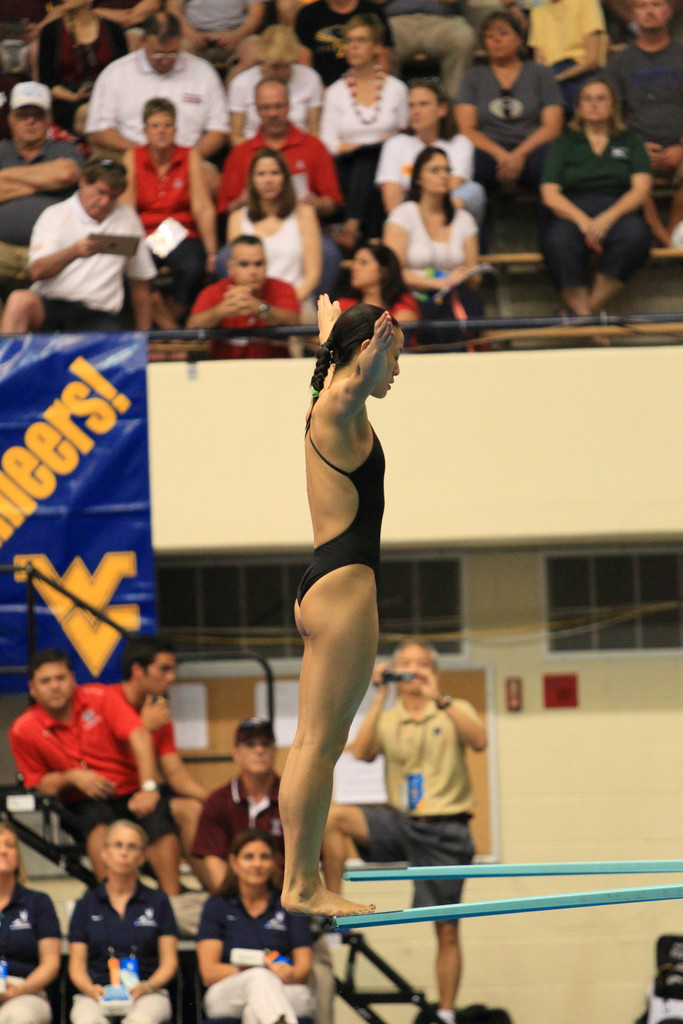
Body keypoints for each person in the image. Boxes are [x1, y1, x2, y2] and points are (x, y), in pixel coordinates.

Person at [277, 298, 404, 918]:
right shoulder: (339, 403)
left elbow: (328, 380)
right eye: (393, 358)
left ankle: (301, 879)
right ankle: (300, 883)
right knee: (318, 747)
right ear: (366, 354)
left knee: (314, 744)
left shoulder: (322, 395)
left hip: (329, 583)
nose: (396, 372)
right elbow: (345, 387)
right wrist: (360, 356)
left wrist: (330, 343)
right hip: (343, 591)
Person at [321, 640, 487, 1023]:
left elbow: (479, 741)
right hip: (400, 822)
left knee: (446, 928)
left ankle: (445, 1013)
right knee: (333, 818)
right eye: (405, 664)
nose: (413, 670)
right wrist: (379, 693)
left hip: (446, 828)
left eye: (421, 663)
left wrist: (437, 696)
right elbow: (360, 752)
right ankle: (333, 908)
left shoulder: (452, 707)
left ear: (434, 669)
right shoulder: (389, 714)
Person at [8, 648, 180, 894]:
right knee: (98, 824)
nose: (54, 686)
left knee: (157, 820)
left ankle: (171, 903)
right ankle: (112, 902)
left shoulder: (101, 696)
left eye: (60, 678)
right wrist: (72, 776)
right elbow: (36, 784)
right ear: (32, 689)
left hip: (131, 790)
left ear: (73, 680)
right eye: (45, 681)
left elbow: (139, 735)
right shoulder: (22, 729)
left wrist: (149, 788)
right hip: (80, 802)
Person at [539, 76, 652, 327]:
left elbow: (641, 188)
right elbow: (549, 193)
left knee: (635, 236)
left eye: (601, 99)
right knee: (557, 241)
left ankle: (585, 314)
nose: (593, 104)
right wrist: (584, 221)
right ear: (578, 107)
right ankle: (590, 320)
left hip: (617, 210)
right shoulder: (565, 143)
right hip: (572, 212)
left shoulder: (630, 140)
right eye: (587, 99)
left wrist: (606, 219)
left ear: (613, 106)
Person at [0, 155, 155, 334]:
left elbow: (140, 281)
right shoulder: (55, 215)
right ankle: (6, 362)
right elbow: (37, 271)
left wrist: (145, 336)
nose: (105, 202)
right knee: (19, 300)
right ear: (83, 182)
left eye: (113, 197)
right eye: (101, 192)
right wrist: (73, 252)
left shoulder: (128, 219)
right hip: (51, 304)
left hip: (98, 313)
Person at [217, 77, 343, 293]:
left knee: (329, 254)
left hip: (304, 226)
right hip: (253, 225)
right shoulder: (241, 153)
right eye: (266, 108)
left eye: (278, 106)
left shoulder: (313, 146)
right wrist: (242, 201)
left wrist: (317, 202)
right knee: (223, 259)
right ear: (256, 109)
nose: (273, 113)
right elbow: (225, 209)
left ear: (289, 106)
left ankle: (315, 309)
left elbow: (334, 203)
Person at [108, 635, 211, 889]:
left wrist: (215, 799)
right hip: (111, 795)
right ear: (137, 670)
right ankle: (171, 897)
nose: (172, 677)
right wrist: (145, 728)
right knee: (157, 815)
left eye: (172, 669)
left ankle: (219, 892)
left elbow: (176, 775)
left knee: (194, 809)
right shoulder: (108, 700)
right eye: (164, 669)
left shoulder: (157, 711)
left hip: (147, 791)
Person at [197, 829, 316, 1024]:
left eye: (265, 857)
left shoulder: (289, 906)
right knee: (258, 978)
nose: (257, 864)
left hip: (283, 986)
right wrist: (260, 968)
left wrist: (287, 972)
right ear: (234, 862)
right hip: (228, 992)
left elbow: (303, 969)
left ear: (274, 863)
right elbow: (209, 973)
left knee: (258, 1008)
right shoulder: (217, 905)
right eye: (249, 857)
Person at [120, 97, 218, 328]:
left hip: (183, 232)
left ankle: (165, 325)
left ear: (175, 129)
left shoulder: (188, 155)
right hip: (144, 234)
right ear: (145, 130)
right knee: (134, 269)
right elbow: (125, 208)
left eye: (167, 125)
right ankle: (172, 332)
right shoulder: (132, 157)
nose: (161, 131)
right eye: (155, 126)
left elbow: (202, 205)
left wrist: (212, 251)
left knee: (194, 267)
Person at [68, 819, 178, 1024]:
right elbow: (76, 966)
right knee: (86, 1020)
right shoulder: (85, 905)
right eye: (118, 845)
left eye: (132, 846)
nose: (124, 853)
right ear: (104, 853)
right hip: (97, 991)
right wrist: (89, 989)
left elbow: (169, 961)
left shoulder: (158, 901)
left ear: (142, 856)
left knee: (140, 1021)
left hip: (146, 992)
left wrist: (148, 986)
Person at [84, 12, 229, 159]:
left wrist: (188, 160)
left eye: (172, 54)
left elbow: (219, 130)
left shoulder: (204, 72)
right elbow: (98, 131)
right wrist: (145, 156)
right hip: (130, 159)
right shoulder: (115, 73)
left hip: (189, 160)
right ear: (143, 41)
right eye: (158, 54)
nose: (165, 61)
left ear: (180, 41)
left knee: (210, 179)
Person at [320, 13, 409, 247]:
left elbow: (406, 132)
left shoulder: (397, 89)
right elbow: (326, 140)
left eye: (361, 40)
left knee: (374, 158)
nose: (354, 47)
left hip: (389, 163)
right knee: (366, 157)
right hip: (346, 163)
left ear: (376, 47)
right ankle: (375, 239)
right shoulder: (335, 92)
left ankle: (354, 227)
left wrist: (387, 142)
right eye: (350, 41)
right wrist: (351, 147)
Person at [383, 146, 483, 346]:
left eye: (447, 170)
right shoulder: (403, 215)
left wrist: (460, 278)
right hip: (412, 296)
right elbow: (392, 271)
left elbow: (475, 275)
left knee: (465, 306)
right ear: (418, 179)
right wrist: (440, 283)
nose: (444, 176)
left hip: (454, 298)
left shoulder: (464, 219)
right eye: (435, 170)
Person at [455, 11, 564, 195]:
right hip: (489, 151)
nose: (496, 40)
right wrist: (501, 155)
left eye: (503, 33)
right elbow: (467, 129)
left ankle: (551, 223)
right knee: (468, 161)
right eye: (490, 36)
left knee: (548, 163)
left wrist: (519, 155)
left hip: (531, 149)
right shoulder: (473, 77)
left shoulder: (541, 74)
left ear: (519, 39)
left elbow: (553, 127)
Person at [607, 0, 683, 245]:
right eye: (641, 5)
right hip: (635, 146)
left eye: (656, 4)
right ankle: (668, 243)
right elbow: (612, 115)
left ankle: (672, 235)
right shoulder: (619, 62)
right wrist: (635, 146)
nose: (649, 11)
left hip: (680, 146)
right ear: (632, 14)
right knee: (622, 168)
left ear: (669, 11)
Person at [0, 81, 82, 298]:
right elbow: (57, 177)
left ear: (49, 120)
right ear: (9, 119)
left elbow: (66, 174)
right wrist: (43, 181)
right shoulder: (1, 151)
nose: (30, 122)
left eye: (37, 116)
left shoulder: (65, 149)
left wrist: (5, 177)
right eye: (22, 115)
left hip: (53, 248)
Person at [376, 76, 486, 225]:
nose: (415, 111)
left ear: (442, 109)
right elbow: (391, 199)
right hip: (409, 221)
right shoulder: (395, 144)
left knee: (473, 190)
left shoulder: (460, 143)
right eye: (411, 105)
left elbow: (449, 187)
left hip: (448, 218)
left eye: (423, 104)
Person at [191, 718, 283, 894]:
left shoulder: (295, 800)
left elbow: (305, 863)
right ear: (236, 753)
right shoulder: (217, 802)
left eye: (266, 743)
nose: (259, 750)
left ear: (275, 751)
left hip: (285, 900)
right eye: (250, 744)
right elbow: (215, 864)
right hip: (233, 899)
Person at [227, 147, 322, 307]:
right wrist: (257, 308)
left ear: (285, 177)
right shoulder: (237, 218)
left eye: (275, 173)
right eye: (261, 174)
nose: (268, 180)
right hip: (249, 305)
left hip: (297, 304)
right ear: (252, 179)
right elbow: (237, 274)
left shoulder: (305, 214)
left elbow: (313, 275)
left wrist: (283, 306)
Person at [187, 234, 300, 358]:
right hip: (224, 371)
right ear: (230, 267)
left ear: (266, 264)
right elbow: (191, 328)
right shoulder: (213, 291)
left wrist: (262, 309)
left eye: (258, 264)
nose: (253, 271)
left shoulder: (283, 288)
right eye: (244, 264)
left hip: (273, 371)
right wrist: (219, 311)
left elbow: (294, 322)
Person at [0, 823, 61, 1024]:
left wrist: (21, 989)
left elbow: (51, 962)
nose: (3, 850)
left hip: (26, 990)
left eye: (10, 845)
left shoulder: (38, 902)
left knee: (17, 1017)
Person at [37, 0, 128, 134]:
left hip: (109, 99)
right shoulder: (51, 31)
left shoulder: (113, 30)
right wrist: (74, 97)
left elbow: (124, 74)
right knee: (90, 114)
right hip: (68, 100)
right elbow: (47, 82)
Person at [227, 26, 324, 146]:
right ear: (263, 59)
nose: (280, 72)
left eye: (286, 65)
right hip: (254, 150)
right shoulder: (240, 83)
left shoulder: (310, 78)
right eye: (274, 66)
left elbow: (314, 130)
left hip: (300, 149)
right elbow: (236, 136)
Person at [382, 0, 476, 102]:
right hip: (396, 20)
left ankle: (455, 108)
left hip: (443, 19)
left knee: (463, 38)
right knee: (377, 39)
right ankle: (388, 107)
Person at [528, 0, 607, 114]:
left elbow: (592, 60)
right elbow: (539, 61)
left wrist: (559, 78)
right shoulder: (538, 10)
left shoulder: (586, 3)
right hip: (551, 75)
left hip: (582, 73)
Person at [294, 0, 394, 87]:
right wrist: (321, 92)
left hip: (370, 84)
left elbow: (383, 58)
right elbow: (305, 66)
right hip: (323, 89)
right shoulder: (308, 14)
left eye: (361, 40)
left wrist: (376, 88)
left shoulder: (372, 10)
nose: (353, 46)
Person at [337, 241, 419, 328]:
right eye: (354, 262)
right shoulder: (342, 306)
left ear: (384, 271)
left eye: (363, 262)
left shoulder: (404, 305)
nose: (354, 267)